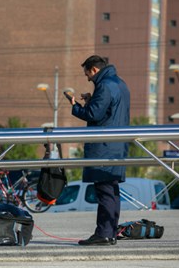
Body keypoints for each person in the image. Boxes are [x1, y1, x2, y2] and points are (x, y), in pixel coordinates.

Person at [65, 55, 130, 246]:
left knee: (104, 191)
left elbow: (93, 114)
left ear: (94, 70)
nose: (88, 79)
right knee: (112, 190)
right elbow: (109, 112)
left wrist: (75, 106)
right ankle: (110, 232)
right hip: (117, 146)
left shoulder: (104, 85)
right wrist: (92, 100)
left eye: (88, 74)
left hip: (104, 147)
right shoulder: (120, 84)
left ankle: (103, 233)